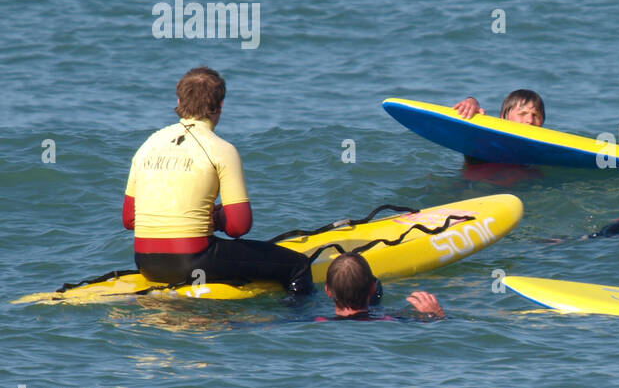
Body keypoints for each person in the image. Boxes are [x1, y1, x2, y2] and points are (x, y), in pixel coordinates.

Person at [123, 67, 313, 293]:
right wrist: (218, 218)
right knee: (298, 265)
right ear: (220, 105)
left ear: (179, 100)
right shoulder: (222, 149)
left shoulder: (148, 145)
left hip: (146, 264)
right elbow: (239, 227)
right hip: (194, 261)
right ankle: (299, 321)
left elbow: (129, 219)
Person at [318, 253, 444, 320]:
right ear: (373, 288)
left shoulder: (318, 321)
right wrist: (435, 315)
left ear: (327, 290)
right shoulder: (389, 319)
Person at [452, 89, 545, 127]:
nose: (530, 120)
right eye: (522, 113)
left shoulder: (545, 151)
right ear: (503, 117)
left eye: (536, 115)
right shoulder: (487, 141)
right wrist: (471, 101)